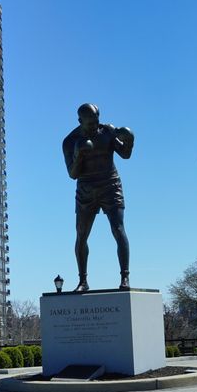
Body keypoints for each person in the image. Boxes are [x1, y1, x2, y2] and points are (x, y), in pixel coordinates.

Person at [62, 103, 134, 292]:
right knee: (81, 235)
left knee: (118, 230)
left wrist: (130, 140)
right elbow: (72, 174)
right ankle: (83, 281)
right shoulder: (70, 141)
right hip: (86, 188)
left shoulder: (108, 131)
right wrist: (79, 155)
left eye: (96, 121)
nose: (95, 126)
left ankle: (125, 277)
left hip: (110, 184)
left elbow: (125, 155)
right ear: (80, 121)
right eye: (90, 123)